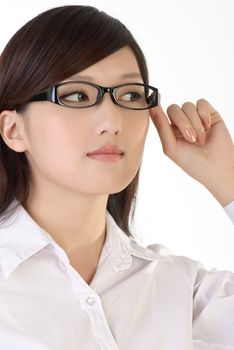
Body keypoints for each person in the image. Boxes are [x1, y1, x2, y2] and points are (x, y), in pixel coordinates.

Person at [0, 5, 233, 350]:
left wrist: (228, 180)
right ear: (14, 129)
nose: (112, 121)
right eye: (77, 95)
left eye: (130, 96)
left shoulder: (182, 289)